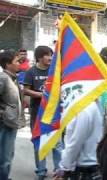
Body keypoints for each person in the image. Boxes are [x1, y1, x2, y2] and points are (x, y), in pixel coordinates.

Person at [23, 46, 62, 180]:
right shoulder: (31, 72)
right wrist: (42, 95)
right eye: (47, 55)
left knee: (57, 143)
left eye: (51, 55)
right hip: (37, 113)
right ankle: (41, 171)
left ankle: (59, 170)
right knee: (39, 142)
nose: (50, 58)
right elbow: (26, 90)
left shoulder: (55, 71)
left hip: (54, 112)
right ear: (39, 57)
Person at [53, 100, 103, 180]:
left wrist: (64, 167)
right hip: (86, 166)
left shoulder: (85, 108)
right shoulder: (87, 106)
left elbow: (75, 142)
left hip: (85, 169)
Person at [0, 50, 25, 180]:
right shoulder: (3, 78)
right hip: (5, 124)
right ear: (7, 64)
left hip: (11, 123)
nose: (19, 63)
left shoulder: (13, 78)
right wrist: (4, 114)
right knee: (4, 159)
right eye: (16, 61)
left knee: (8, 156)